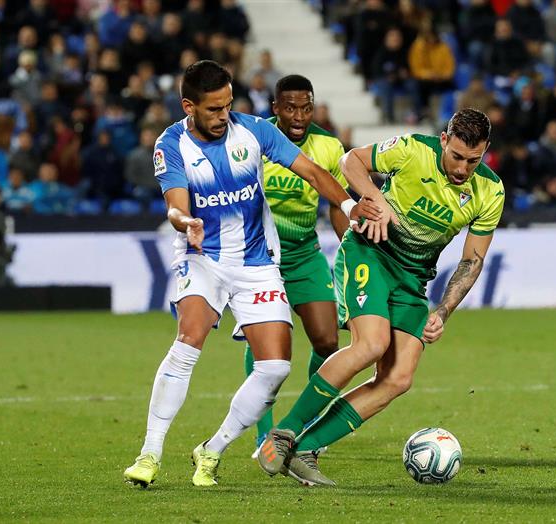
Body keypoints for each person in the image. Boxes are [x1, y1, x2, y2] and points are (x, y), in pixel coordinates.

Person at [123, 60, 382, 488]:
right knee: (189, 339)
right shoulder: (171, 144)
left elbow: (313, 172)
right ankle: (149, 453)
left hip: (257, 261)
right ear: (189, 106)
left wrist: (350, 206)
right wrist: (186, 223)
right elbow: (175, 205)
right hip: (202, 255)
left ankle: (212, 450)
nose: (223, 116)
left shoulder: (254, 131)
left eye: (228, 105)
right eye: (213, 109)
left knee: (276, 367)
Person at [257, 108, 505, 486]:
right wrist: (375, 198)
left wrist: (443, 311)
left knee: (398, 378)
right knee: (371, 345)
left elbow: (472, 260)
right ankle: (284, 432)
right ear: (443, 140)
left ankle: (305, 449)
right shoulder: (412, 149)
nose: (462, 168)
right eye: (456, 156)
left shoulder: (490, 191)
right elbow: (350, 161)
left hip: (413, 279)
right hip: (371, 253)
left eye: (473, 160)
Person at [244, 74, 351, 456]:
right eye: (290, 108)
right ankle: (263, 435)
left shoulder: (328, 146)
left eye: (306, 108)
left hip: (305, 252)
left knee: (327, 340)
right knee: (268, 348)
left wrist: (351, 247)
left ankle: (303, 428)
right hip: (261, 256)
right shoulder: (254, 140)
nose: (299, 116)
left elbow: (337, 203)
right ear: (275, 108)